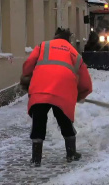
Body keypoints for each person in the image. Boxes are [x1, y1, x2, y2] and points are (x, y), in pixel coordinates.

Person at [20, 27, 93, 167]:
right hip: (63, 93)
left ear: (55, 37)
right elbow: (86, 83)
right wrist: (80, 95)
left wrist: (28, 76)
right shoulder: (74, 54)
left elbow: (27, 67)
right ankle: (71, 153)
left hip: (40, 89)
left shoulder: (43, 46)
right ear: (68, 40)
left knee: (39, 121)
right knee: (64, 121)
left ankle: (36, 159)